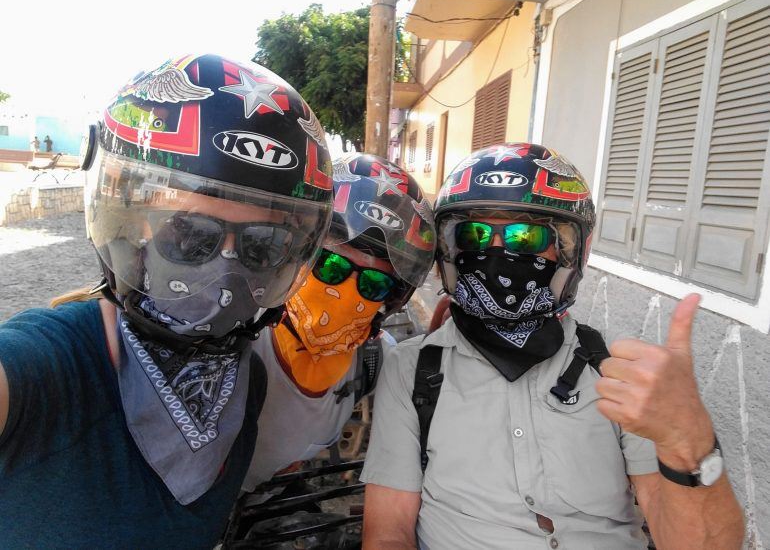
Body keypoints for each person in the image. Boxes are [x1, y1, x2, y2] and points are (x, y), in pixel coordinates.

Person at [0, 53, 334, 548]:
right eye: (190, 234)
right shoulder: (49, 367)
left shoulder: (246, 381)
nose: (225, 272)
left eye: (263, 246)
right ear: (131, 225)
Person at [361, 143, 744, 549]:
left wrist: (688, 440)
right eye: (473, 234)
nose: (496, 253)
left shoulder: (617, 373)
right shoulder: (412, 370)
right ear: (449, 249)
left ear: (569, 250)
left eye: (526, 236)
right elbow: (388, 533)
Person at [238, 153, 437, 496]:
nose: (344, 291)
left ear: (390, 301)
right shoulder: (235, 332)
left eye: (373, 284)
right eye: (330, 266)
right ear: (297, 255)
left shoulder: (375, 360)